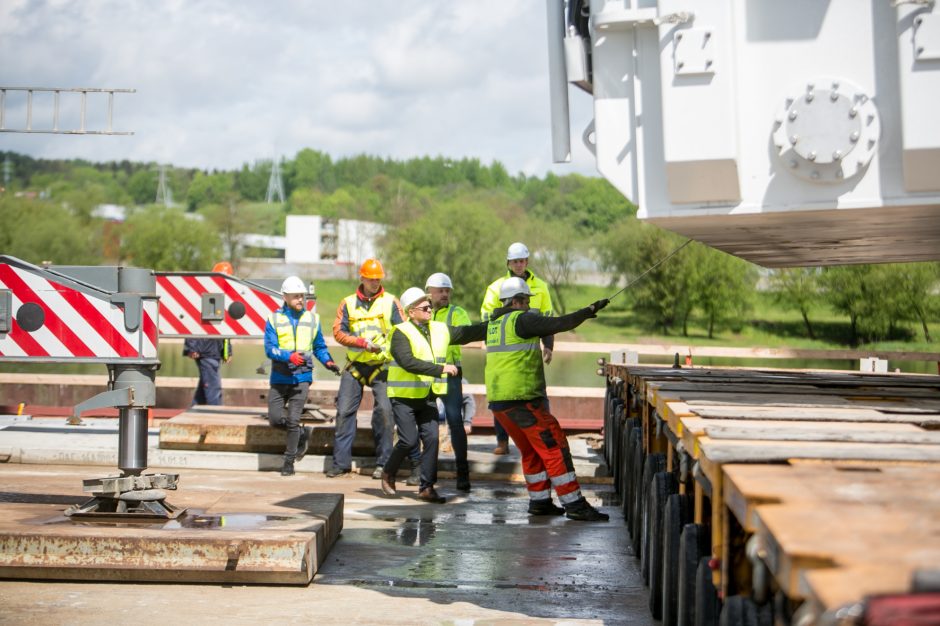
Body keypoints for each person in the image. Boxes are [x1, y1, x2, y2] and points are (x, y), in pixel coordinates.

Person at [485, 276, 610, 521]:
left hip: (500, 404)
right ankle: (574, 504)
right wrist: (589, 310)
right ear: (516, 301)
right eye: (525, 301)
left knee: (531, 450)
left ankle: (540, 502)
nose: (528, 305)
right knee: (554, 445)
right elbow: (558, 323)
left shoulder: (493, 323)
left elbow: (462, 333)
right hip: (522, 401)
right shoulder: (522, 319)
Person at [380, 287, 486, 503]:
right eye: (424, 306)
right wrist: (440, 369)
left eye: (429, 305)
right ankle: (388, 472)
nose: (430, 308)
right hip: (403, 397)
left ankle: (426, 488)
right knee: (409, 441)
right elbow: (408, 362)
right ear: (411, 312)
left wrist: (496, 323)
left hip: (427, 396)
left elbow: (467, 333)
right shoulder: (400, 332)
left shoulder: (439, 329)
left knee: (432, 439)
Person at [329, 258, 404, 479]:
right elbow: (338, 333)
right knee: (344, 412)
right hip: (355, 365)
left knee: (385, 411)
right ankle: (340, 464)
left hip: (382, 365)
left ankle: (384, 464)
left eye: (377, 279)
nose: (374, 283)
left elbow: (403, 332)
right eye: (370, 279)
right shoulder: (347, 303)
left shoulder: (391, 302)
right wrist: (362, 343)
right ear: (361, 278)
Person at [481, 242, 555, 456]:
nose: (519, 264)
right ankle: (502, 442)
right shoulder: (496, 287)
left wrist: (548, 345)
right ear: (508, 263)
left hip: (529, 349)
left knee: (536, 392)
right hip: (504, 350)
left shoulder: (540, 287)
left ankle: (543, 439)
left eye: (522, 261)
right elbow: (487, 318)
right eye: (515, 261)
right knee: (501, 394)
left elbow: (547, 319)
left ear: (527, 262)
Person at [265, 275, 339, 477]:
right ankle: (302, 434)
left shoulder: (312, 319)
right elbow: (270, 349)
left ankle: (288, 462)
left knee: (293, 420)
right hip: (280, 378)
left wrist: (329, 362)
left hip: (302, 378)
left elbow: (319, 347)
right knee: (274, 419)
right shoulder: (274, 319)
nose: (300, 300)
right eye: (296, 296)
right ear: (285, 297)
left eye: (302, 296)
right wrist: (289, 356)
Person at [425, 272, 475, 491]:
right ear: (430, 293)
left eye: (447, 291)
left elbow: (463, 332)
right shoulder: (423, 312)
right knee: (427, 425)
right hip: (427, 373)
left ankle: (462, 474)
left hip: (451, 374)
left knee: (455, 422)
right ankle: (425, 474)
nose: (445, 294)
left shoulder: (457, 312)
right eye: (440, 291)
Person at [182, 261, 236, 406]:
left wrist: (227, 351)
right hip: (204, 349)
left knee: (204, 387)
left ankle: (193, 413)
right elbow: (193, 320)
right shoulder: (204, 295)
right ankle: (217, 415)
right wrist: (191, 346)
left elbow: (225, 330)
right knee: (213, 386)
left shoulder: (224, 298)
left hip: (213, 350)